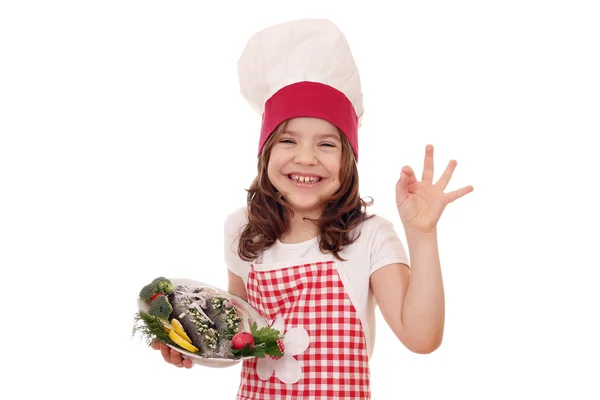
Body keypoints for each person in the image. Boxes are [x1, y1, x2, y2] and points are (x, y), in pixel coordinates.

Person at [152, 18, 473, 399]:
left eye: (326, 144)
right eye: (288, 139)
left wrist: (421, 235)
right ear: (266, 152)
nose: (306, 158)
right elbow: (239, 334)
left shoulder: (369, 236)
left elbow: (422, 338)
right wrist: (188, 343)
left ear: (348, 161)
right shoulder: (242, 230)